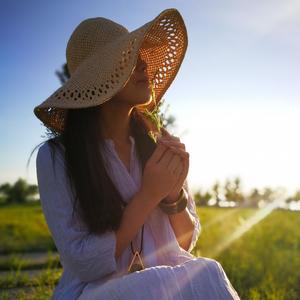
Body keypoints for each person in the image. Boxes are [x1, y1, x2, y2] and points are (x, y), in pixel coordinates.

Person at [33, 8, 240, 300]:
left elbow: (185, 242)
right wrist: (148, 194)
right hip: (96, 290)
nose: (143, 64)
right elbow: (83, 263)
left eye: (139, 55)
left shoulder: (156, 144)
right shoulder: (56, 157)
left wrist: (172, 195)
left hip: (167, 276)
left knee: (207, 271)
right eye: (129, 57)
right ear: (98, 78)